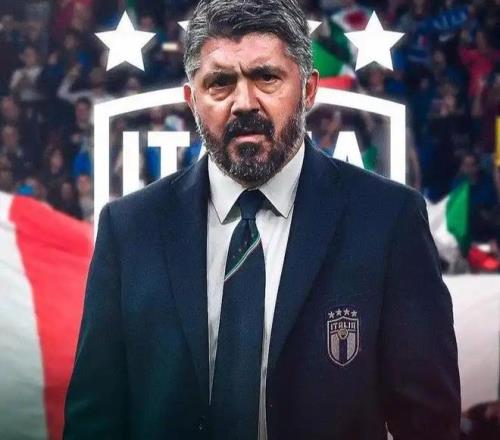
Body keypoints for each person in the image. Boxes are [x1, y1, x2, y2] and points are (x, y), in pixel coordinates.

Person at [63, 0, 461, 439]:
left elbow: (429, 422)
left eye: (266, 77)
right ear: (192, 100)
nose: (243, 102)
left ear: (308, 90)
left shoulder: (388, 221)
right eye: (220, 83)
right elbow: (93, 420)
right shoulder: (128, 230)